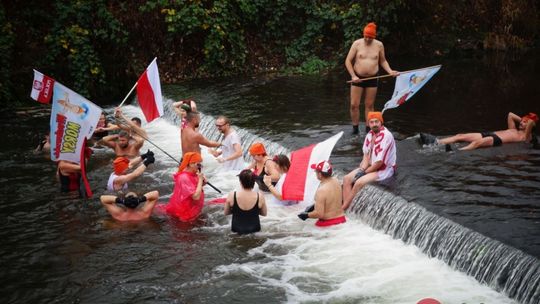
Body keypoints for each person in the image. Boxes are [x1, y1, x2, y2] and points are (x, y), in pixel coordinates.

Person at [345, 22, 398, 135]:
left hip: (373, 78)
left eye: (370, 37)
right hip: (357, 78)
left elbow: (383, 61)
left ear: (374, 36)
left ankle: (369, 130)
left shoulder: (379, 45)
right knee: (354, 104)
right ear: (363, 34)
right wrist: (353, 76)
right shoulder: (357, 44)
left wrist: (390, 71)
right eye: (366, 36)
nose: (368, 39)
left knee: (369, 105)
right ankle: (355, 129)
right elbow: (348, 61)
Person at [342, 111, 396, 210]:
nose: (374, 124)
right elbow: (366, 156)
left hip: (383, 170)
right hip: (371, 166)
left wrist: (364, 173)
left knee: (358, 182)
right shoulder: (370, 135)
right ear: (368, 123)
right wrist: (362, 169)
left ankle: (343, 208)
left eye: (376, 122)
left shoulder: (386, 136)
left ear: (381, 122)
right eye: (371, 122)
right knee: (346, 179)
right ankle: (348, 207)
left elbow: (379, 163)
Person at [420, 112, 538, 151]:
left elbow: (532, 124)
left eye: (524, 122)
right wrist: (523, 119)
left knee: (477, 143)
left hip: (496, 140)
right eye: (521, 121)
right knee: (460, 136)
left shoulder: (526, 137)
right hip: (490, 133)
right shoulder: (513, 128)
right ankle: (436, 142)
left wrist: (529, 121)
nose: (521, 123)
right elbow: (510, 114)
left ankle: (456, 151)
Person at [297, 161, 346, 227]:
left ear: (320, 174)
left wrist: (306, 215)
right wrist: (315, 205)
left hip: (327, 224)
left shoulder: (321, 190)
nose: (315, 173)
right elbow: (330, 199)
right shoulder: (336, 181)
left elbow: (319, 214)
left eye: (316, 172)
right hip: (342, 220)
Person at [165, 152, 207, 222]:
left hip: (194, 209)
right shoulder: (184, 178)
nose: (200, 167)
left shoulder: (192, 175)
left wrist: (202, 183)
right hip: (185, 214)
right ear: (191, 164)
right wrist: (200, 180)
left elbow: (193, 189)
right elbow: (196, 197)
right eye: (198, 164)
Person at [224, 169, 267, 234]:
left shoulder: (232, 195)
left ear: (240, 182)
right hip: (255, 232)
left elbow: (226, 212)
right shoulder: (260, 196)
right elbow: (264, 214)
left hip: (236, 232)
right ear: (254, 182)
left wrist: (236, 210)